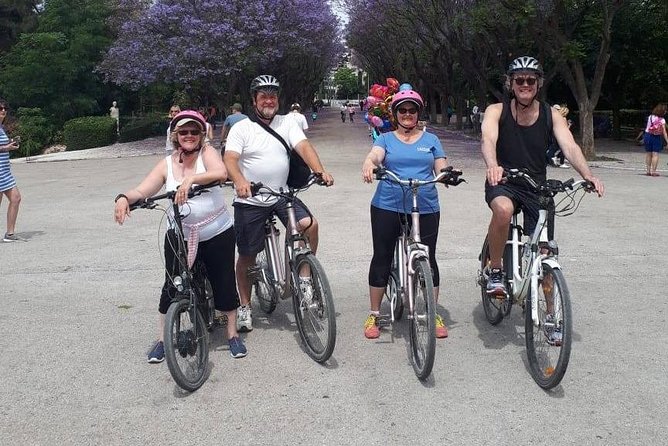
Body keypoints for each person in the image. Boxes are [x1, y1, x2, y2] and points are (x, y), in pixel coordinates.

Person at [114, 110, 246, 361]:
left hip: (216, 231)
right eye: (183, 132)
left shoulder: (207, 154)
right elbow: (143, 189)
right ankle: (162, 339)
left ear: (200, 135)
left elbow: (221, 173)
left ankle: (232, 334)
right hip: (179, 234)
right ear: (175, 136)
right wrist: (123, 198)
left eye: (194, 131)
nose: (188, 136)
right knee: (172, 285)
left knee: (224, 282)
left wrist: (191, 180)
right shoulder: (167, 163)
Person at [481, 56, 605, 297]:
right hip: (504, 180)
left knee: (544, 251)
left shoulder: (551, 115)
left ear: (539, 84)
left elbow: (569, 147)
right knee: (504, 211)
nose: (525, 84)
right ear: (510, 84)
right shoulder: (497, 110)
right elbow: (488, 139)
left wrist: (588, 175)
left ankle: (552, 318)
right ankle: (495, 268)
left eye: (530, 80)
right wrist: (493, 165)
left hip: (537, 187)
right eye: (519, 80)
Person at [223, 74, 334, 333]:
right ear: (254, 100)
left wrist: (320, 171)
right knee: (248, 256)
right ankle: (245, 306)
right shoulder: (242, 127)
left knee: (309, 225)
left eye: (273, 96)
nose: (269, 100)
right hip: (251, 198)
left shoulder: (286, 122)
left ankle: (305, 277)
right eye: (263, 96)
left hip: (282, 195)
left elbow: (304, 147)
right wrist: (239, 180)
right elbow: (230, 159)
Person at [361, 88, 450, 339]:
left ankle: (432, 312)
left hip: (426, 205)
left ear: (418, 113)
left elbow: (440, 164)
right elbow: (375, 155)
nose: (407, 114)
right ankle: (375, 313)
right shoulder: (386, 139)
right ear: (395, 113)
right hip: (387, 205)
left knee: (428, 256)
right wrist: (370, 164)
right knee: (382, 256)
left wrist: (446, 174)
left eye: (412, 110)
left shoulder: (431, 140)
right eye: (403, 110)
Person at [0, 99, 22, 242]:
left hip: (4, 171)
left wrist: (10, 144)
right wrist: (5, 148)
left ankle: (10, 234)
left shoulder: (1, 128)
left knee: (16, 198)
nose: (3, 111)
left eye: (5, 109)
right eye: (0, 109)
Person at [643, 103, 668, 177]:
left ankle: (648, 171)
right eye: (665, 111)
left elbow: (648, 127)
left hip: (647, 135)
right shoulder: (662, 120)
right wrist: (667, 141)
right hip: (656, 137)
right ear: (662, 111)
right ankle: (654, 171)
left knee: (648, 154)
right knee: (655, 154)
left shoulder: (650, 117)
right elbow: (664, 132)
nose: (666, 112)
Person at [548, 104, 572, 168]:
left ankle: (553, 158)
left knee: (555, 147)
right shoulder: (563, 118)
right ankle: (560, 162)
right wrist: (569, 125)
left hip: (555, 135)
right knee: (562, 148)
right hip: (561, 135)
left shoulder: (556, 118)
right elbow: (565, 128)